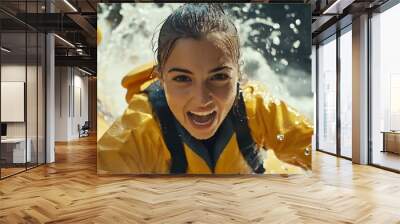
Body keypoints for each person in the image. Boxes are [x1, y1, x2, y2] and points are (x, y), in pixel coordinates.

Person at [97, 3, 313, 174]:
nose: (202, 99)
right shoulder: (139, 132)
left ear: (239, 75)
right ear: (161, 78)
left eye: (218, 77)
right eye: (182, 78)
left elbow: (319, 153)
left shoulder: (257, 108)